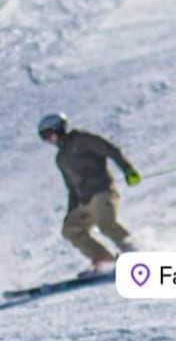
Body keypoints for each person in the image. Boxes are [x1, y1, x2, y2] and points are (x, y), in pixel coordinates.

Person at [37, 112, 141, 270]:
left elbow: (110, 149)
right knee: (70, 230)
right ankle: (105, 261)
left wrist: (128, 169)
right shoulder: (61, 158)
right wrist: (71, 212)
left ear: (58, 129)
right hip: (85, 201)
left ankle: (136, 254)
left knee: (106, 225)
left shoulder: (81, 139)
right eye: (44, 137)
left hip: (103, 192)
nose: (48, 140)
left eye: (48, 134)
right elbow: (71, 188)